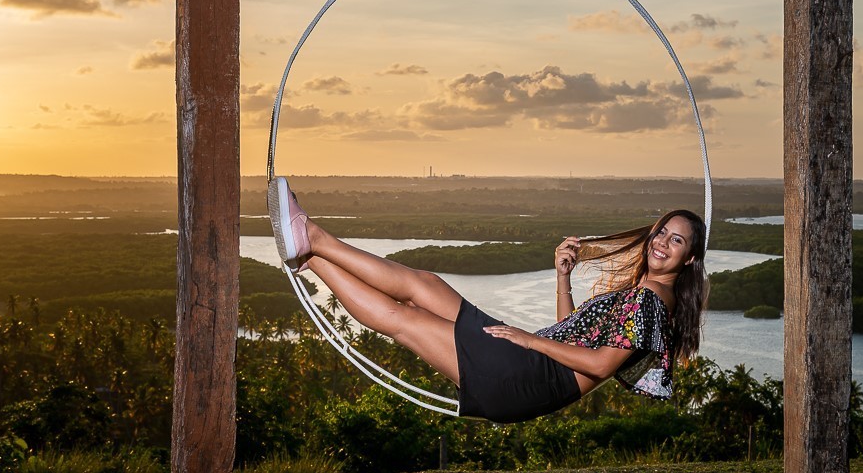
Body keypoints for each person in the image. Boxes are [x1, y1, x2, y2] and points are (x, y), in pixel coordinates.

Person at [267, 176, 708, 423]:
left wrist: (527, 340)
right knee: (424, 285)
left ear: (689, 260)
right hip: (529, 366)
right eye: (662, 232)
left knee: (403, 319)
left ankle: (314, 239)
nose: (663, 243)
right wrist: (563, 279)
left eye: (677, 241)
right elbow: (574, 339)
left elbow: (598, 365)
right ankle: (309, 249)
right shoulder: (648, 296)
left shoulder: (652, 302)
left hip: (526, 376)